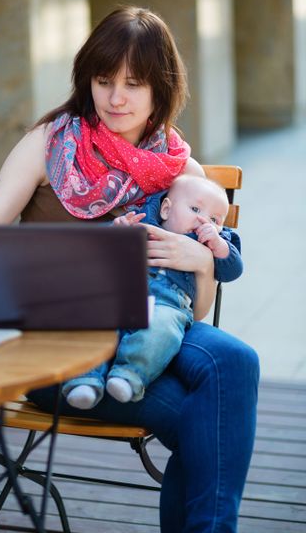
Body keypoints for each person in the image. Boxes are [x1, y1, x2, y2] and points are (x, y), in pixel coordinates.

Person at [0, 6, 259, 532]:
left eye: (133, 83)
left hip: (150, 330)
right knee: (203, 418)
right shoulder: (50, 143)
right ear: (86, 79)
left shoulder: (177, 169)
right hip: (62, 345)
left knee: (235, 361)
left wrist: (201, 263)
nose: (115, 98)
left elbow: (198, 309)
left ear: (159, 89)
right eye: (103, 80)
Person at [64, 174, 243, 409]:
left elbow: (233, 269)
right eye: (195, 208)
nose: (203, 221)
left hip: (168, 303)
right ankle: (84, 379)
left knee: (163, 330)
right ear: (166, 209)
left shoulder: (215, 242)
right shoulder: (141, 220)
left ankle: (129, 376)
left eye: (214, 219)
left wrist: (218, 247)